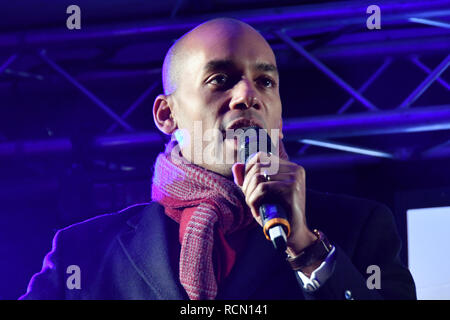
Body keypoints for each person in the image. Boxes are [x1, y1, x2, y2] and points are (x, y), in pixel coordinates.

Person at [19, 18, 416, 300]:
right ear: (166, 115)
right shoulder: (84, 252)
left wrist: (307, 250)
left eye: (265, 81)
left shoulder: (357, 229)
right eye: (220, 80)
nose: (248, 95)